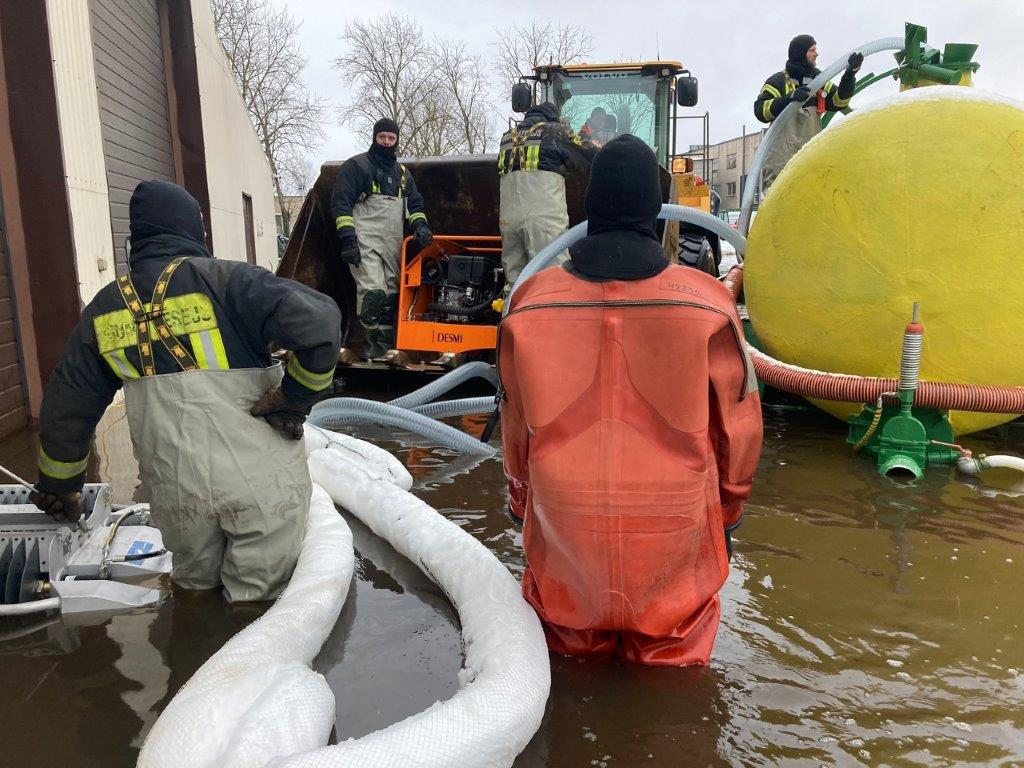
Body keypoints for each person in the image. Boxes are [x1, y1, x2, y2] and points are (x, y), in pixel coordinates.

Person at [498, 136, 763, 666]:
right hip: (674, 525)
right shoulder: (708, 303)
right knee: (675, 687)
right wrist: (728, 511)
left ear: (587, 208)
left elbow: (513, 428)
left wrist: (525, 505)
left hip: (566, 524)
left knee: (569, 665)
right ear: (655, 210)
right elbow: (740, 428)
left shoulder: (528, 304)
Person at [30, 180, 342, 603]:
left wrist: (59, 483)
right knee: (262, 607)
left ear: (135, 240)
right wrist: (295, 397)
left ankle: (189, 658)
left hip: (176, 489)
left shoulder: (105, 309)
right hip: (258, 479)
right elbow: (321, 325)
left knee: (192, 593)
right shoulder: (228, 281)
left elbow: (69, 403)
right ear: (192, 231)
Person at [330, 118, 433, 360]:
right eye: (382, 137)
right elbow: (341, 204)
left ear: (397, 140)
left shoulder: (403, 175)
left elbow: (415, 205)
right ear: (374, 137)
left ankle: (384, 351)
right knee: (373, 292)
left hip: (393, 245)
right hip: (364, 241)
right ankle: (371, 347)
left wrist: (421, 226)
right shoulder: (357, 167)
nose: (386, 142)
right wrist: (347, 239)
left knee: (391, 297)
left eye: (391, 138)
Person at [497, 102, 595, 288]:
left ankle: (512, 315)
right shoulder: (554, 131)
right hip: (543, 221)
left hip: (509, 222)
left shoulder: (507, 138)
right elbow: (586, 155)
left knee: (515, 282)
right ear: (553, 117)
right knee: (552, 277)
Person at [754, 35, 862, 187]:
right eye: (812, 50)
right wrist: (788, 99)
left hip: (810, 154)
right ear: (801, 53)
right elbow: (761, 111)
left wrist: (849, 75)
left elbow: (839, 102)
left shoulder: (818, 79)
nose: (816, 53)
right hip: (781, 160)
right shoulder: (778, 81)